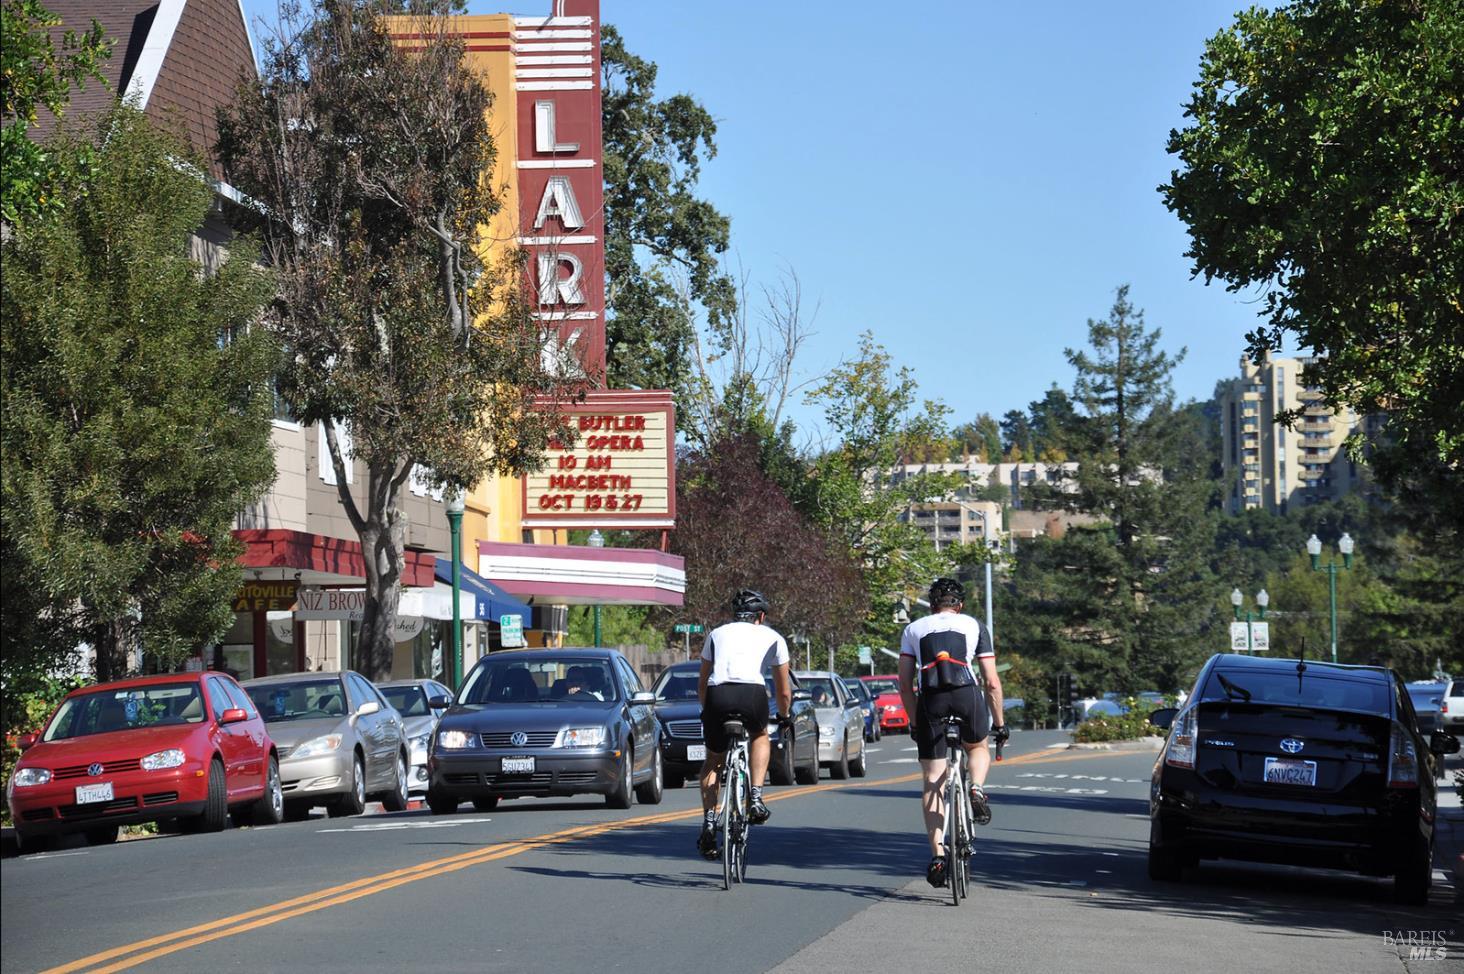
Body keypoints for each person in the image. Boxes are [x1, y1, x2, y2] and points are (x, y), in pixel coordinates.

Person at [897, 577, 1007, 888]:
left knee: (933, 778)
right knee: (977, 747)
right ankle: (976, 788)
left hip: (931, 699)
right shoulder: (974, 625)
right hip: (965, 694)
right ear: (960, 605)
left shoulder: (913, 629)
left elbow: (905, 685)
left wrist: (916, 722)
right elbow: (992, 682)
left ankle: (937, 854)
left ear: (932, 605)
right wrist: (999, 723)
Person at [696, 588, 794, 861]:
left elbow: (702, 682)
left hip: (718, 695)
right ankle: (757, 796)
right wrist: (785, 716)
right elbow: (783, 691)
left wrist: (707, 711)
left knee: (714, 760)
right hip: (752, 695)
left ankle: (709, 821)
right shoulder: (774, 637)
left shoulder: (716, 634)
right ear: (760, 616)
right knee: (760, 735)